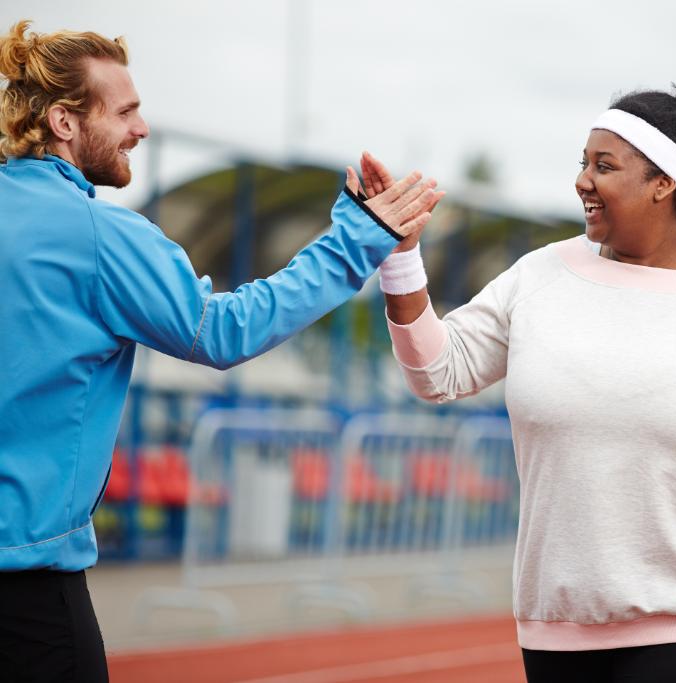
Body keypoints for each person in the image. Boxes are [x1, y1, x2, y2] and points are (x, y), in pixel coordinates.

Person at [0, 20, 439, 682]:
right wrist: (359, 237)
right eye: (126, 111)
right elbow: (221, 331)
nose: (140, 129)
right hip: (26, 588)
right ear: (64, 121)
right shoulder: (97, 234)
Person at [367, 79, 676, 682]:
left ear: (663, 183)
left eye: (604, 166)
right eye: (582, 163)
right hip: (558, 618)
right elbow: (439, 372)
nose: (582, 181)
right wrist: (401, 257)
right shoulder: (540, 276)